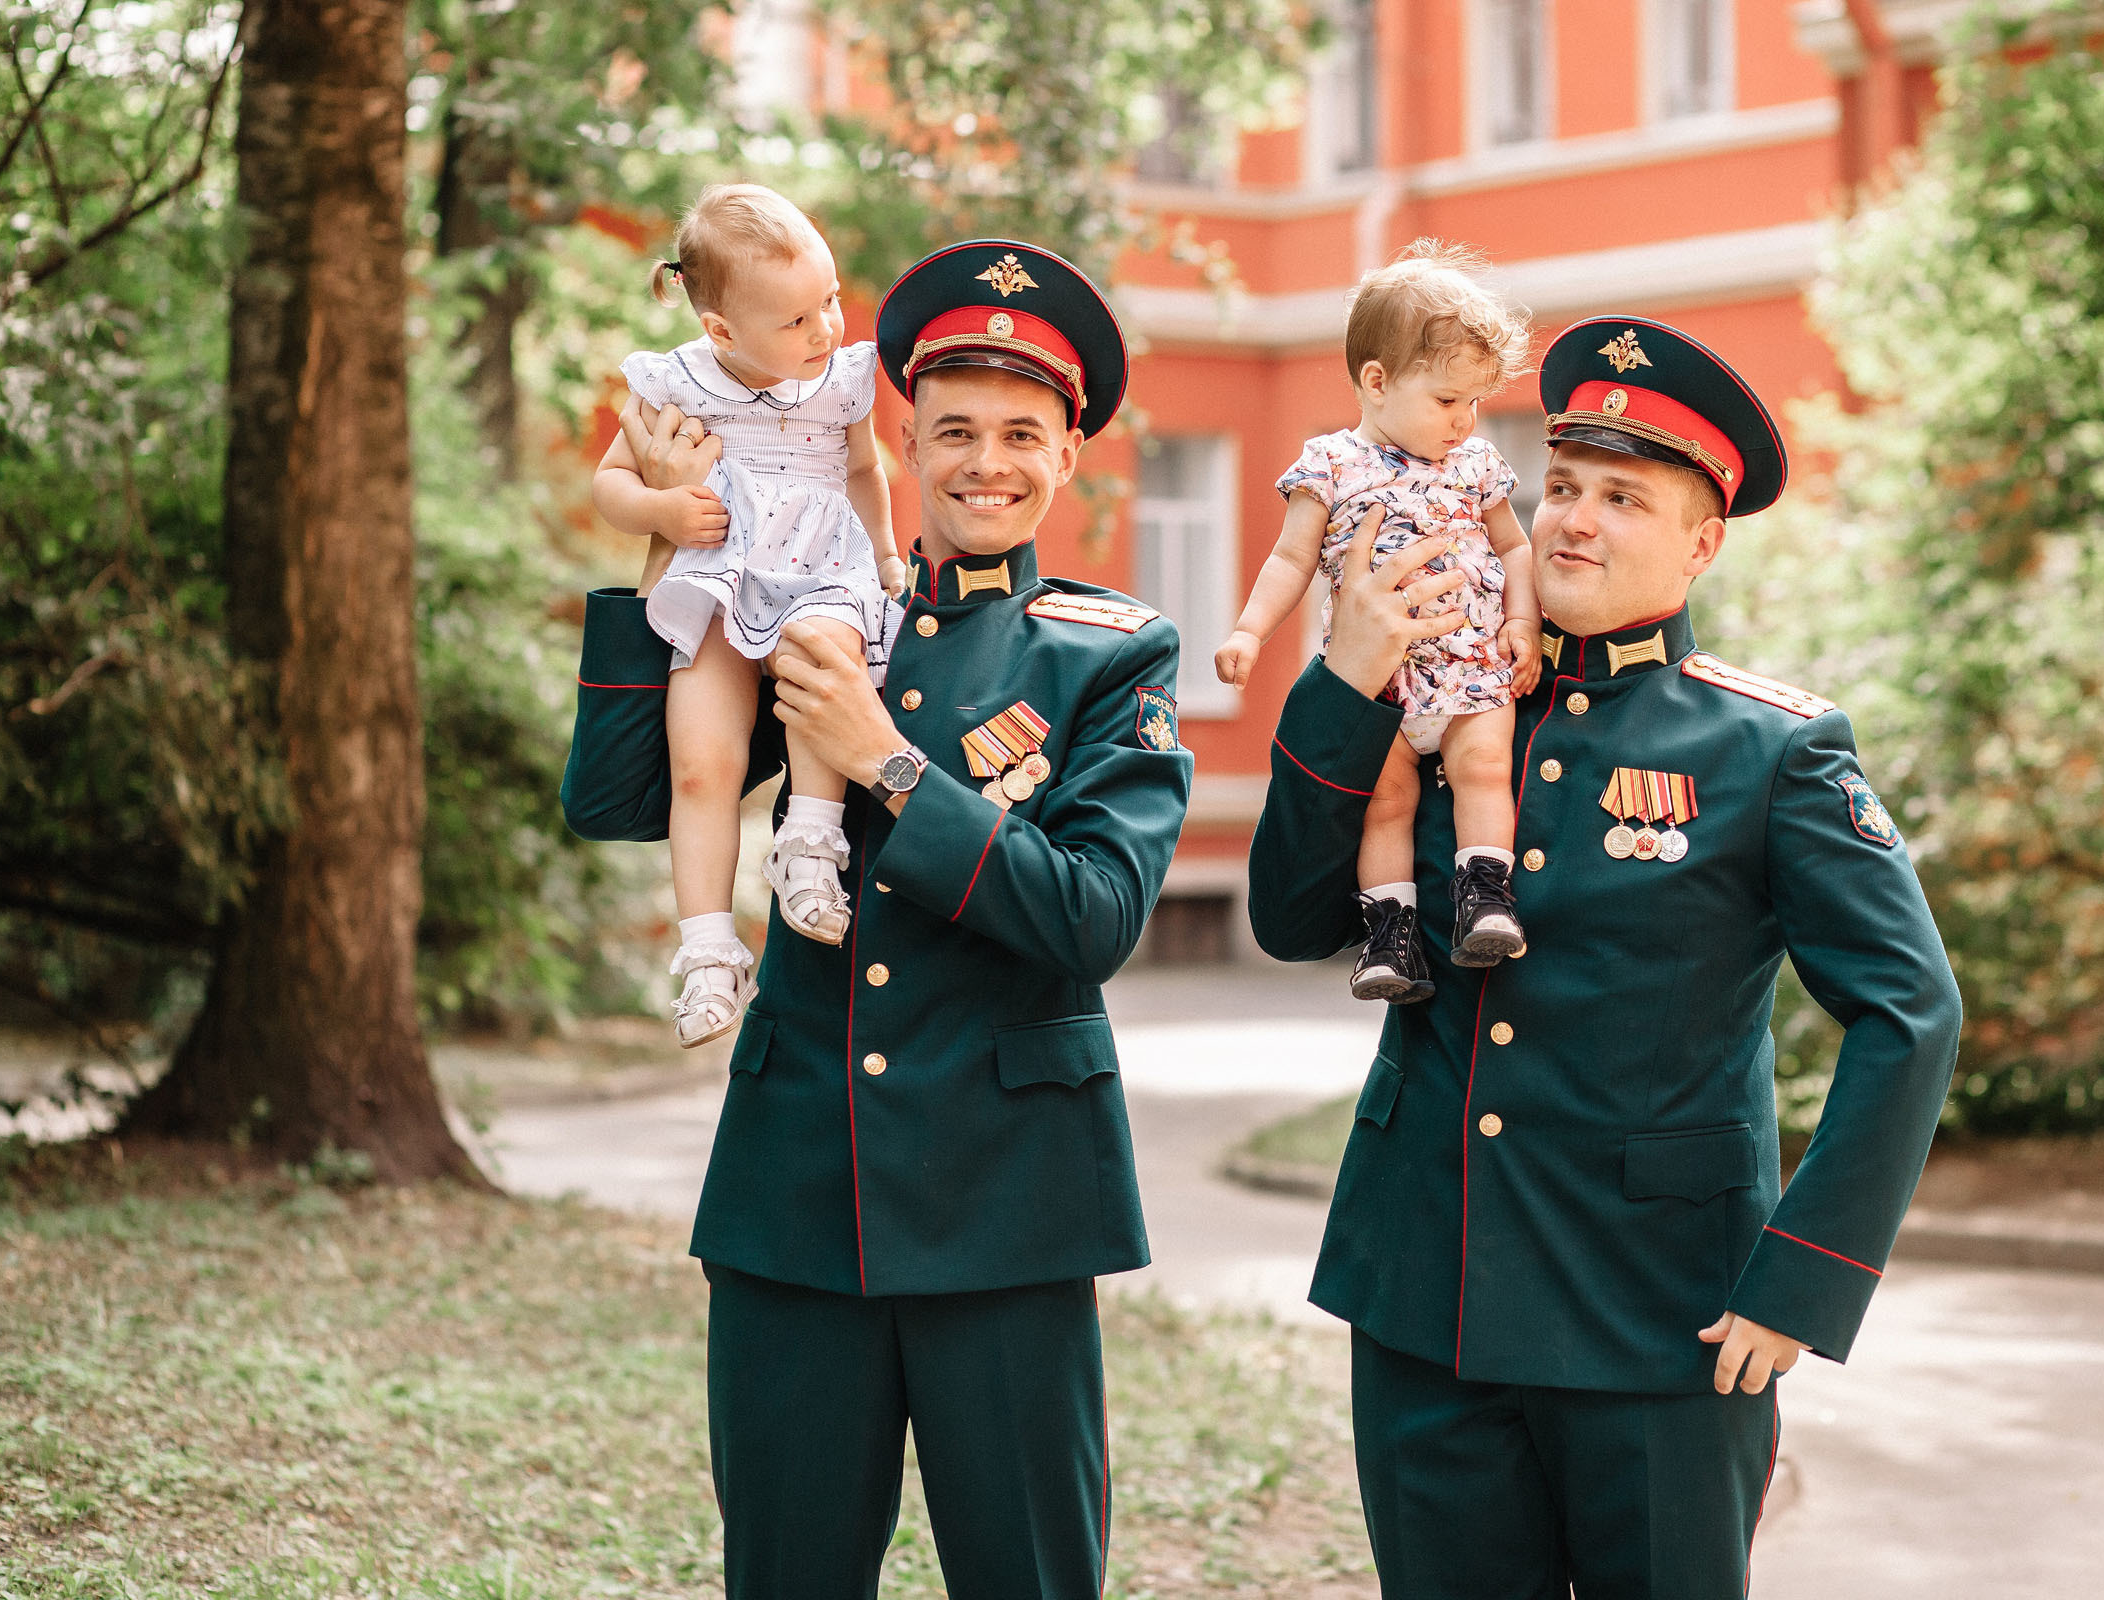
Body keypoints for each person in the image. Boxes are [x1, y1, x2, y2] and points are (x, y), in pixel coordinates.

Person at [1247, 313, 1963, 1598]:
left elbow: (1911, 1012)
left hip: (1665, 1330)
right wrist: (1348, 676)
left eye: (1623, 497)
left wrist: (1806, 1279)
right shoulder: (1450, 703)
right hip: (1428, 1309)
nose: (1574, 519)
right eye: (1563, 485)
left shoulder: (1772, 750)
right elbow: (1296, 916)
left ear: (1701, 541)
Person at [560, 239, 1193, 1600]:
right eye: (954, 429)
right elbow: (624, 798)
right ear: (902, 434)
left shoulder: (1110, 648)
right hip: (797, 1194)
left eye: (1023, 433)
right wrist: (671, 543)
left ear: (1067, 456)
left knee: (1025, 1576)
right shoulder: (823, 597)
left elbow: (1095, 917)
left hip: (1012, 1207)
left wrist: (889, 762)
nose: (985, 461)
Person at [591, 183, 905, 1047]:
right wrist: (661, 514)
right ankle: (707, 953)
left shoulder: (840, 382)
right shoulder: (675, 382)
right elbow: (610, 483)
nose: (827, 330)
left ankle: (810, 844)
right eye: (798, 321)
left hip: (822, 574)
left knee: (822, 659)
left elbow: (862, 473)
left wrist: (881, 554)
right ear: (721, 331)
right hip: (721, 573)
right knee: (702, 761)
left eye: (831, 301)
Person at [1215, 241, 1540, 1004]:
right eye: (1447, 400)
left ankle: (1485, 895)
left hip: (1469, 665)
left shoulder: (1476, 465)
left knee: (1485, 768)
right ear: (1377, 381)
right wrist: (1248, 632)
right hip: (1378, 684)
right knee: (1385, 802)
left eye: (1474, 404)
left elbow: (1514, 546)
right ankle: (1390, 936)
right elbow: (1290, 561)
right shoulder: (1327, 465)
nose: (1463, 421)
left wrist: (1521, 621)